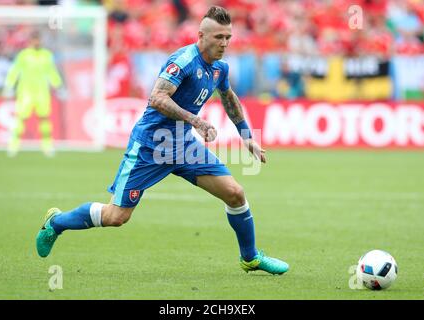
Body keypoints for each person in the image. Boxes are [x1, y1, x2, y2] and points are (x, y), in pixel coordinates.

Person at [36, 6, 289, 275]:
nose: (224, 43)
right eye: (218, 37)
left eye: (228, 37)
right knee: (116, 217)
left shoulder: (219, 69)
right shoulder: (182, 62)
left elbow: (229, 99)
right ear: (201, 35)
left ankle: (250, 258)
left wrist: (247, 136)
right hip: (151, 145)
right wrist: (195, 120)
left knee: (235, 193)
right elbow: (157, 98)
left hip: (183, 145)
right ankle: (57, 222)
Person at [3, 30, 65, 157]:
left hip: (42, 92)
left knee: (45, 119)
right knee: (21, 118)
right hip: (26, 92)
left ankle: (47, 146)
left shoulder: (46, 55)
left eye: (38, 40)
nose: (37, 42)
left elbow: (51, 72)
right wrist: (9, 85)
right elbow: (15, 71)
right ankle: (13, 145)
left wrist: (59, 86)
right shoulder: (24, 55)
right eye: (34, 40)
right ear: (30, 41)